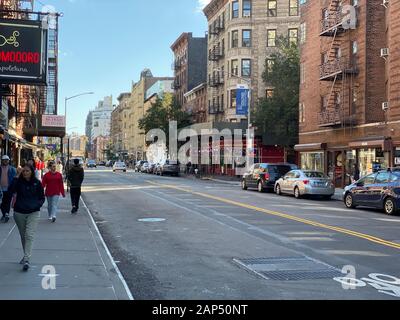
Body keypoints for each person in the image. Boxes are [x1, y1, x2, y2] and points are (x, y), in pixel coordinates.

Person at [11, 164, 45, 271]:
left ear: (32, 172)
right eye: (24, 171)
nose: (25, 172)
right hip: (19, 212)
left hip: (33, 212)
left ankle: (26, 259)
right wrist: (16, 176)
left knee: (29, 235)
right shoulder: (18, 182)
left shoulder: (37, 183)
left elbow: (42, 197)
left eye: (27, 171)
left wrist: (37, 205)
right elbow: (10, 189)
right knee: (23, 236)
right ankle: (25, 254)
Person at [0, 155, 17, 223]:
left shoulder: (12, 169)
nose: (5, 161)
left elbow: (14, 179)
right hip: (1, 189)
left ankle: (6, 214)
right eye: (4, 160)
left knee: (7, 202)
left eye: (7, 160)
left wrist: (15, 189)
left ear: (8, 161)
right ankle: (4, 214)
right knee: (1, 203)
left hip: (9, 188)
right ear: (2, 160)